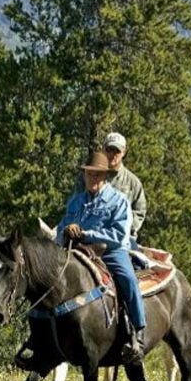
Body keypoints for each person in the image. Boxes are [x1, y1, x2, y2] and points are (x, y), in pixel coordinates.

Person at [57, 151, 144, 363]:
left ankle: (138, 332)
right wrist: (66, 232)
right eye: (89, 175)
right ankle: (46, 338)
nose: (92, 179)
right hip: (78, 252)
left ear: (105, 177)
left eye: (97, 175)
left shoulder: (119, 201)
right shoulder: (75, 202)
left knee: (128, 279)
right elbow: (60, 228)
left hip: (110, 251)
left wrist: (86, 234)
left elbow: (118, 235)